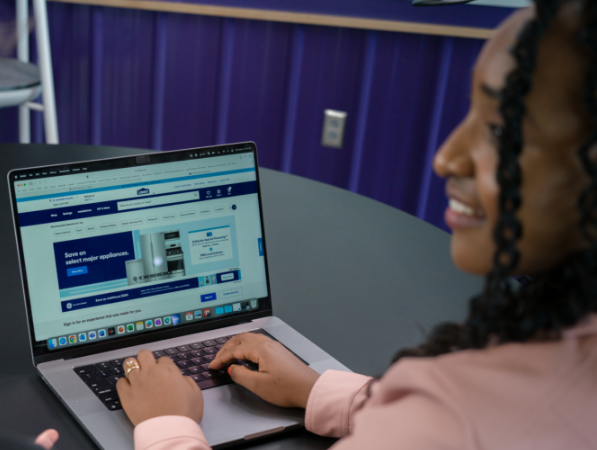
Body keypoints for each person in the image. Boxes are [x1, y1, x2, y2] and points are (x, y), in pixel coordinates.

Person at [114, 0, 597, 448]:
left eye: (499, 130)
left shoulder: (456, 416)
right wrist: (320, 391)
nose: (446, 157)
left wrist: (167, 426)